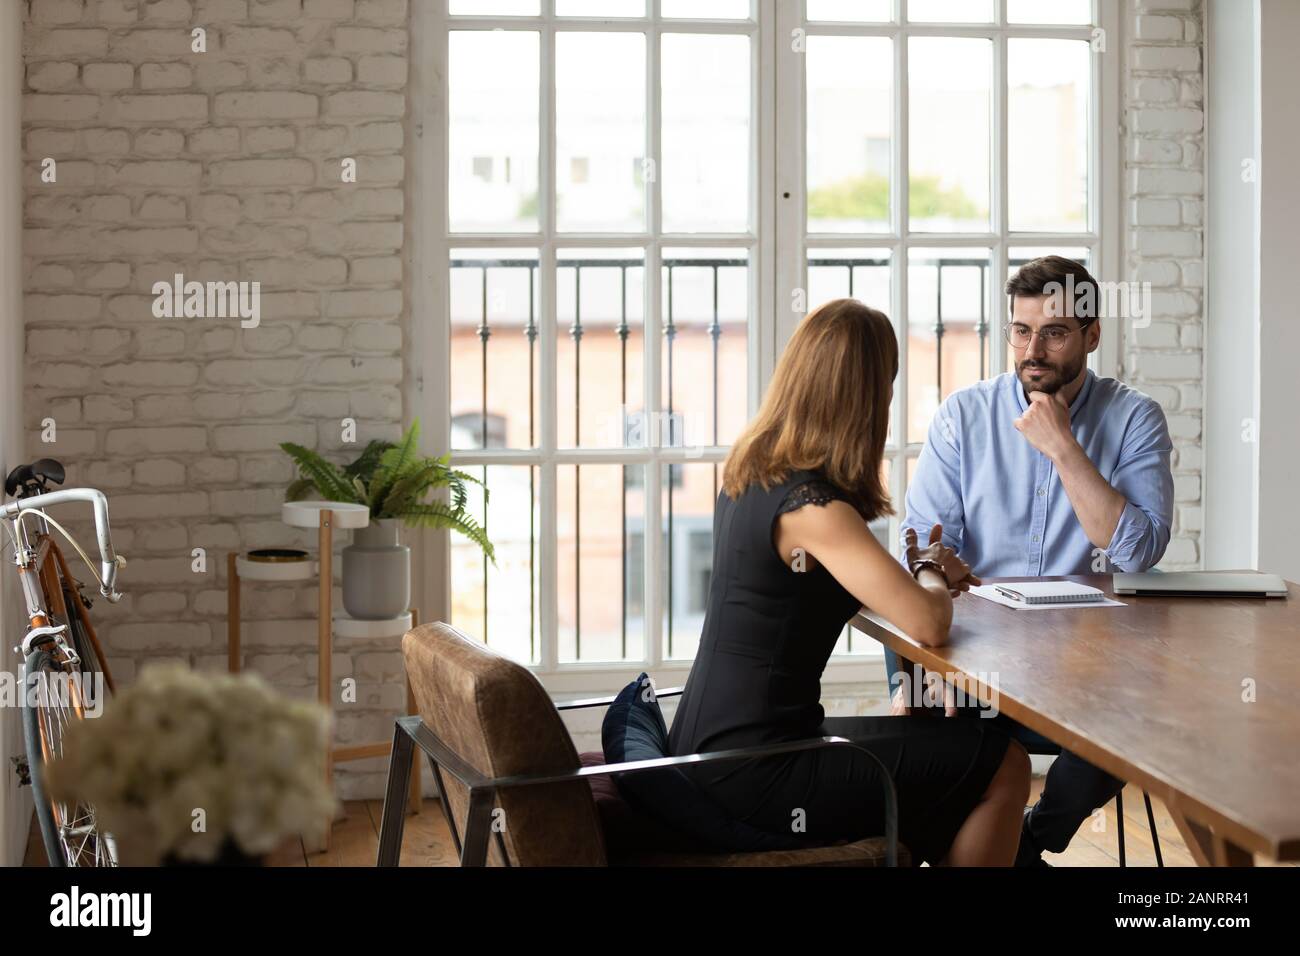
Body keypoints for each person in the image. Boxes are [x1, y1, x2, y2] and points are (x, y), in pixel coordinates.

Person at [667, 298, 1030, 866]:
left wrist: (920, 575)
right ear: (864, 394)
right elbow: (929, 624)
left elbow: (854, 587)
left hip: (708, 745)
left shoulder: (753, 471)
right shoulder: (814, 506)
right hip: (755, 770)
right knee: (1005, 763)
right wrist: (933, 566)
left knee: (946, 754)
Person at [896, 255, 1175, 866]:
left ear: (1092, 335)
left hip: (1087, 666)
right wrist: (938, 562)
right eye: (1022, 331)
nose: (1033, 350)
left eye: (1054, 332)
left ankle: (1031, 840)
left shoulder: (1134, 419)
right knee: (931, 716)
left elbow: (1138, 553)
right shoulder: (963, 417)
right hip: (975, 657)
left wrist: (1064, 448)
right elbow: (922, 546)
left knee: (1138, 721)